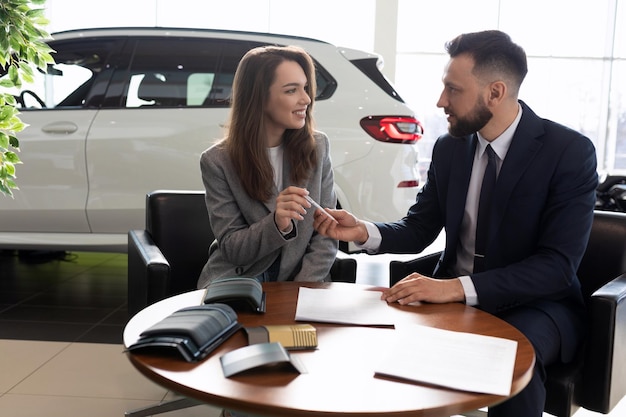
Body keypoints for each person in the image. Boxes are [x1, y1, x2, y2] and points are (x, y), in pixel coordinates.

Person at [313, 30, 598, 417]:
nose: (441, 101)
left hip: (538, 306)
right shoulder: (450, 149)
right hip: (450, 295)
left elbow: (556, 267)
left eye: (453, 89)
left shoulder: (568, 153)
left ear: (495, 93)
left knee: (511, 364)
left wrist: (455, 289)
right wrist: (365, 231)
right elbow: (419, 228)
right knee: (363, 345)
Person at [197, 44, 338, 291]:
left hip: (300, 279)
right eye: (291, 90)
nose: (305, 99)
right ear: (259, 97)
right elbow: (232, 249)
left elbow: (326, 236)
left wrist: (302, 289)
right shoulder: (217, 161)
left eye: (305, 88)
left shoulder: (318, 146)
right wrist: (277, 223)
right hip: (239, 277)